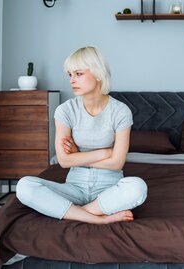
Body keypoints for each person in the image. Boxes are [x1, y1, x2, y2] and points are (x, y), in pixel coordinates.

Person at [16, 46, 147, 224]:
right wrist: (104, 153)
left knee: (137, 187)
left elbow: (117, 162)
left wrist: (78, 155)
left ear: (98, 73)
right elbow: (63, 161)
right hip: (74, 188)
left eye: (78, 74)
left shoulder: (120, 111)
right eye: (69, 74)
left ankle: (76, 212)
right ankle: (98, 219)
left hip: (109, 188)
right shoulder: (65, 111)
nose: (71, 80)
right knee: (25, 186)